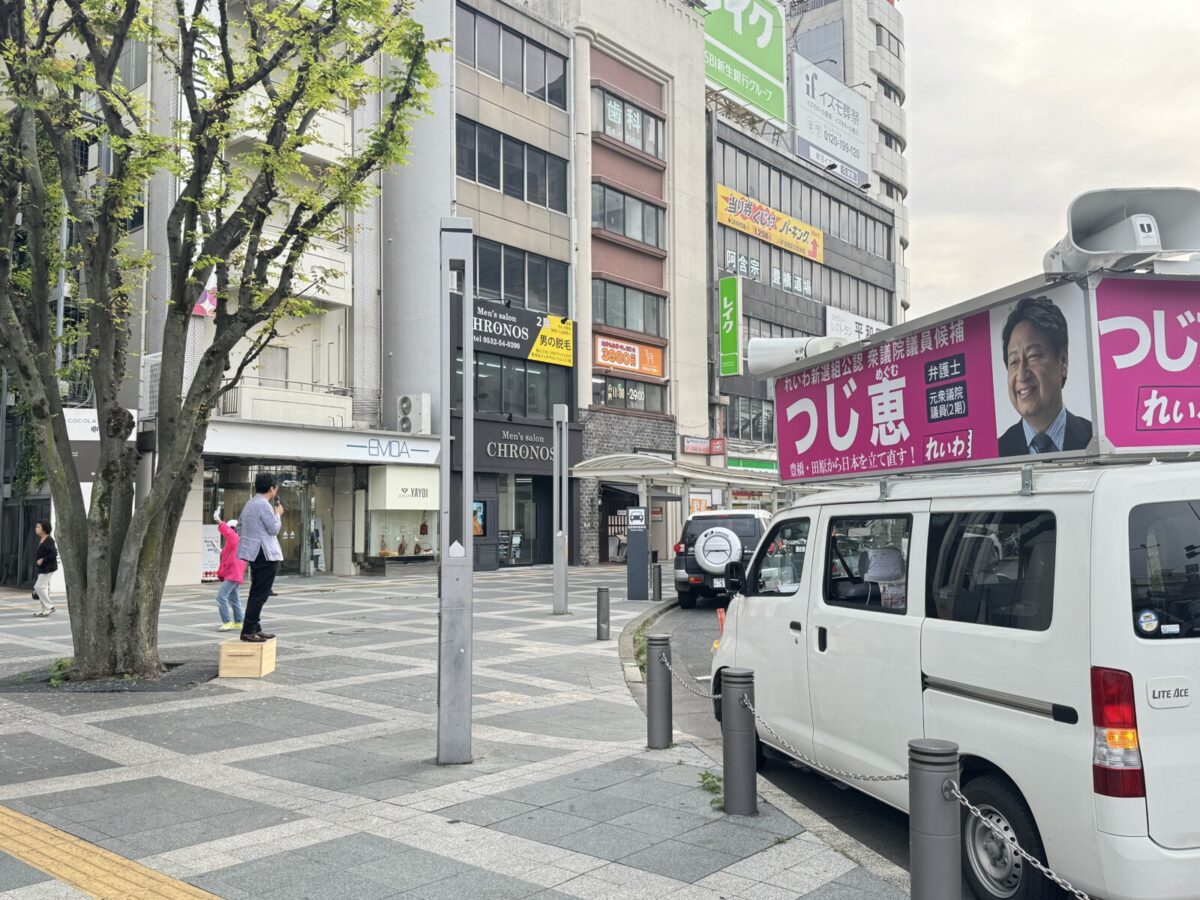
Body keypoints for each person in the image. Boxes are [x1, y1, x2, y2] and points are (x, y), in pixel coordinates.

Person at [997, 295, 1093, 457]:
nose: (1021, 374)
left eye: (1033, 356)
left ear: (1062, 362)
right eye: (1014, 361)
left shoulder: (1095, 440)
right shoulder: (996, 452)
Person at [236, 473, 283, 643]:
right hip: (266, 553)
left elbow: (239, 528)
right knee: (260, 594)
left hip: (254, 553)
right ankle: (249, 629)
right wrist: (277, 514)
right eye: (275, 487)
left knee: (256, 591)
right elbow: (274, 529)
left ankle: (254, 627)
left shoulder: (250, 503)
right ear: (272, 488)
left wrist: (251, 541)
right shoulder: (264, 505)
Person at [213, 509, 245, 631]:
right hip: (235, 573)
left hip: (232, 574)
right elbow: (231, 555)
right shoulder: (235, 541)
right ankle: (238, 622)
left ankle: (227, 622)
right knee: (234, 599)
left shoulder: (234, 537)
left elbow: (228, 532)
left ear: (233, 529)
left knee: (221, 597)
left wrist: (218, 520)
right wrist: (220, 551)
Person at [32, 520, 57, 617]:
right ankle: (44, 609)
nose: (36, 528)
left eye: (38, 527)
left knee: (38, 587)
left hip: (48, 568)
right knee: (43, 588)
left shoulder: (49, 540)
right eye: (36, 527)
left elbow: (54, 553)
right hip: (42, 568)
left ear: (44, 529)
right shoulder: (42, 539)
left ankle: (50, 607)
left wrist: (43, 559)